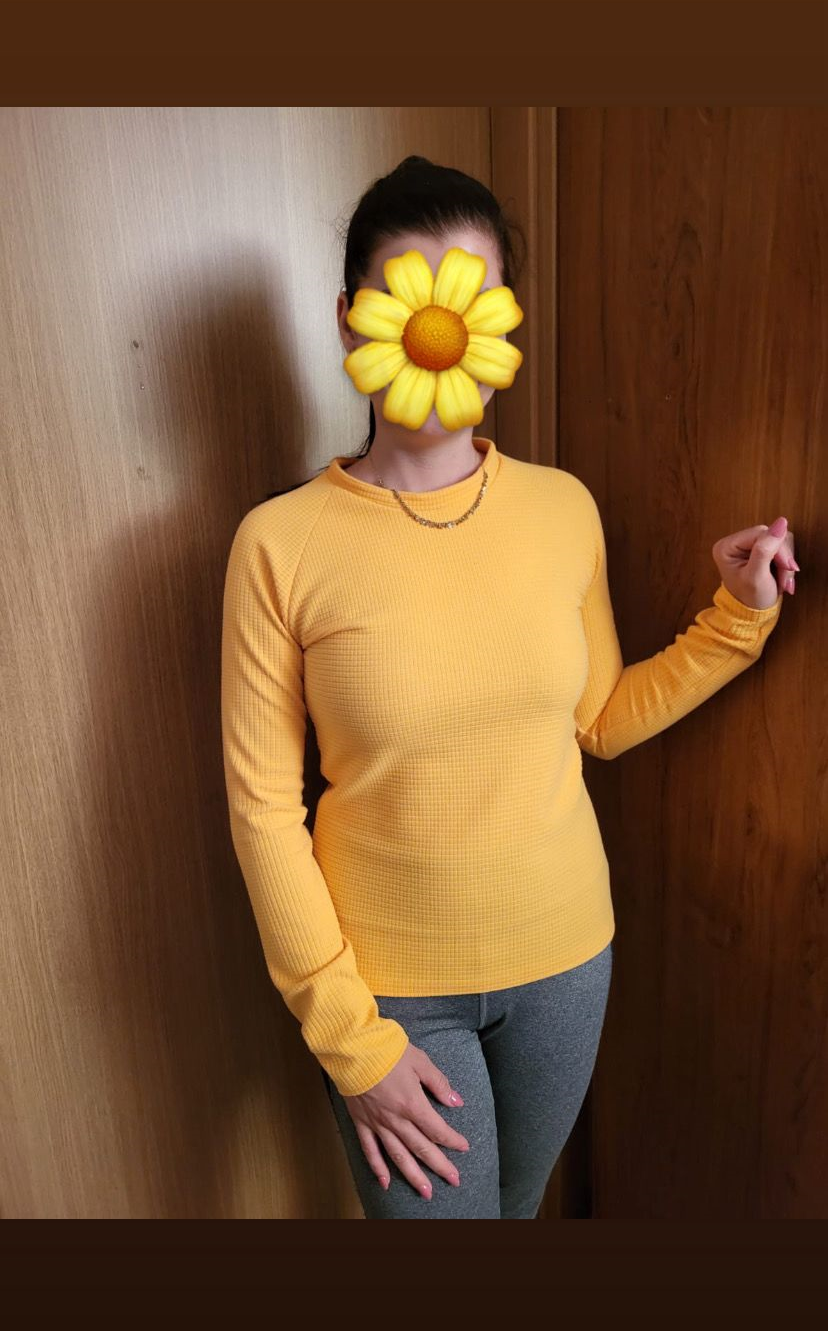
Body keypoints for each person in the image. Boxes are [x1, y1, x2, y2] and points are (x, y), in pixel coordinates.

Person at [220, 155, 796, 1219]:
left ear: (501, 327)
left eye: (470, 299)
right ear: (350, 321)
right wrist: (351, 1041)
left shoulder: (562, 507)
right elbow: (261, 811)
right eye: (407, 296)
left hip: (566, 962)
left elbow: (600, 720)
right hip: (388, 996)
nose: (437, 326)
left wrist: (737, 619)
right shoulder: (279, 544)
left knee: (517, 1216)